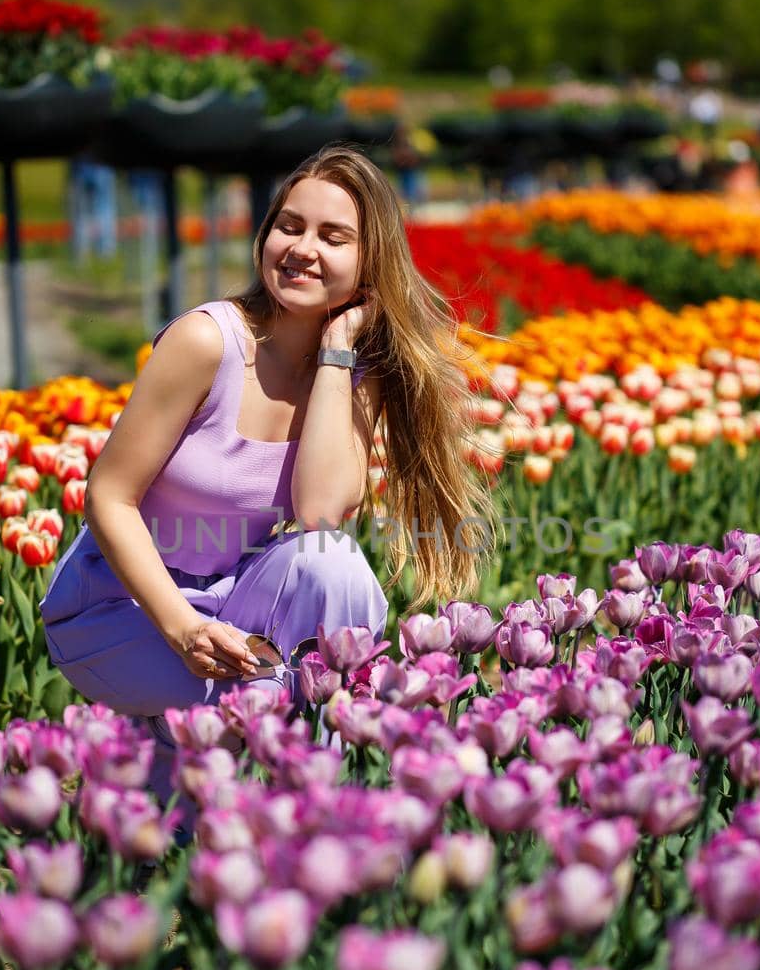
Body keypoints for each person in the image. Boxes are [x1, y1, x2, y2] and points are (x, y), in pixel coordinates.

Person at [40, 145, 495, 799]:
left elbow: (318, 515)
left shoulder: (352, 375)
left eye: (332, 237)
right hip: (125, 609)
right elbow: (109, 495)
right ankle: (166, 766)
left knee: (331, 563)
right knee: (270, 692)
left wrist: (337, 353)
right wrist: (182, 626)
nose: (301, 248)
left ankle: (309, 811)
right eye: (289, 225)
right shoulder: (206, 343)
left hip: (230, 605)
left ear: (370, 263)